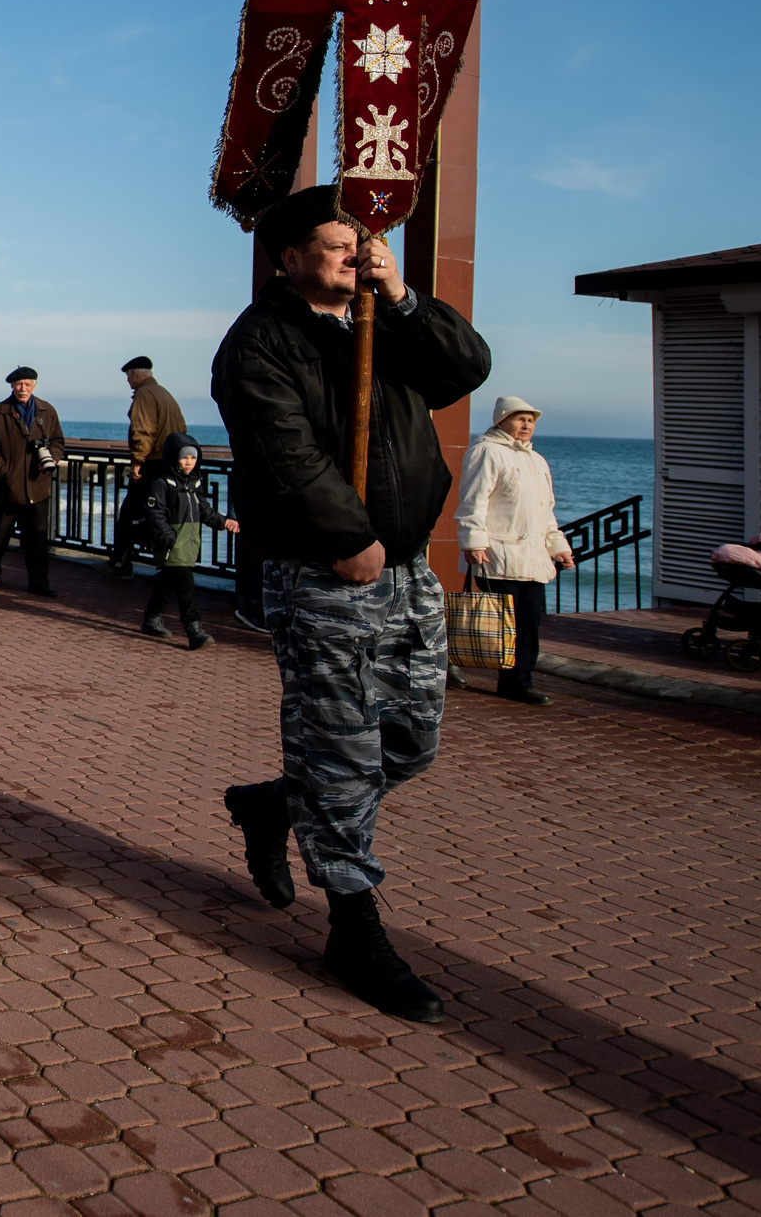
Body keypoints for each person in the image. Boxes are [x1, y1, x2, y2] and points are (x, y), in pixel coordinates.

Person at [212, 184, 490, 1025]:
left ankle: (273, 802)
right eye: (335, 244)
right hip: (329, 570)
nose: (352, 254)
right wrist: (346, 537)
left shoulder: (383, 322)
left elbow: (466, 368)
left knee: (409, 741)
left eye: (358, 241)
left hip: (408, 574)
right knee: (340, 749)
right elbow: (282, 453)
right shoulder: (263, 340)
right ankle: (353, 925)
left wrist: (402, 296)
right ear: (290, 258)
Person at [455, 395, 575, 706]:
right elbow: (473, 501)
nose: (526, 425)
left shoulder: (537, 461)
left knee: (529, 624)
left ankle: (520, 681)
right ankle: (504, 678)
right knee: (500, 625)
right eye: (519, 418)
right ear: (501, 420)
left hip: (533, 559)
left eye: (530, 420)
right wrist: (473, 543)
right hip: (498, 555)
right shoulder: (486, 451)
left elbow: (545, 510)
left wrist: (558, 547)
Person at [129, 434, 238, 649]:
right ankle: (193, 629)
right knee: (186, 586)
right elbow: (154, 512)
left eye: (193, 458)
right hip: (172, 542)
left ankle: (152, 618)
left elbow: (204, 511)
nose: (189, 462)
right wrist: (168, 536)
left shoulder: (194, 482)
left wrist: (224, 522)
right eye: (184, 458)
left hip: (189, 542)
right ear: (172, 457)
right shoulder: (161, 483)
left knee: (168, 581)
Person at [0, 368, 67, 597]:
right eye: (19, 384)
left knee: (38, 538)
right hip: (7, 487)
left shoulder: (47, 411)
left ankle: (39, 582)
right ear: (11, 385)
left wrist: (53, 458)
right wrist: (5, 472)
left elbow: (59, 441)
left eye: (27, 384)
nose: (23, 389)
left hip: (37, 485)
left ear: (34, 385)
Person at [110, 357, 189, 579]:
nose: (127, 380)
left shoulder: (144, 395)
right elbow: (182, 428)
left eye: (128, 376)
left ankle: (121, 563)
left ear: (135, 373)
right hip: (170, 465)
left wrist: (137, 461)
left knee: (129, 514)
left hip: (152, 464)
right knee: (162, 516)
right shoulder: (164, 394)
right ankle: (169, 566)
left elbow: (143, 431)